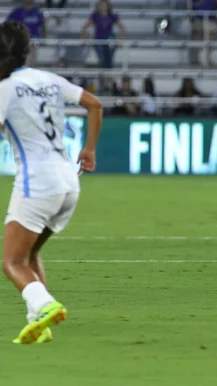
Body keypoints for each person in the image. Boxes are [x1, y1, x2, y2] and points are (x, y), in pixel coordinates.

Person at [0, 21, 103, 344]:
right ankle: (40, 323)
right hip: (68, 183)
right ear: (27, 51)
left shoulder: (4, 89)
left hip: (37, 183)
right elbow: (94, 104)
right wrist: (88, 149)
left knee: (11, 260)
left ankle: (44, 304)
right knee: (29, 256)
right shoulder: (48, 79)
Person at [80, 0, 126, 69]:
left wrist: (121, 38)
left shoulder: (112, 15)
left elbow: (122, 27)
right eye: (101, 5)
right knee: (102, 59)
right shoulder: (95, 15)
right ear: (98, 6)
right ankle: (104, 76)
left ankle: (109, 75)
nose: (103, 7)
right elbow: (84, 27)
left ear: (108, 6)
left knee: (109, 59)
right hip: (98, 40)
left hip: (109, 39)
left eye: (105, 5)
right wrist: (85, 37)